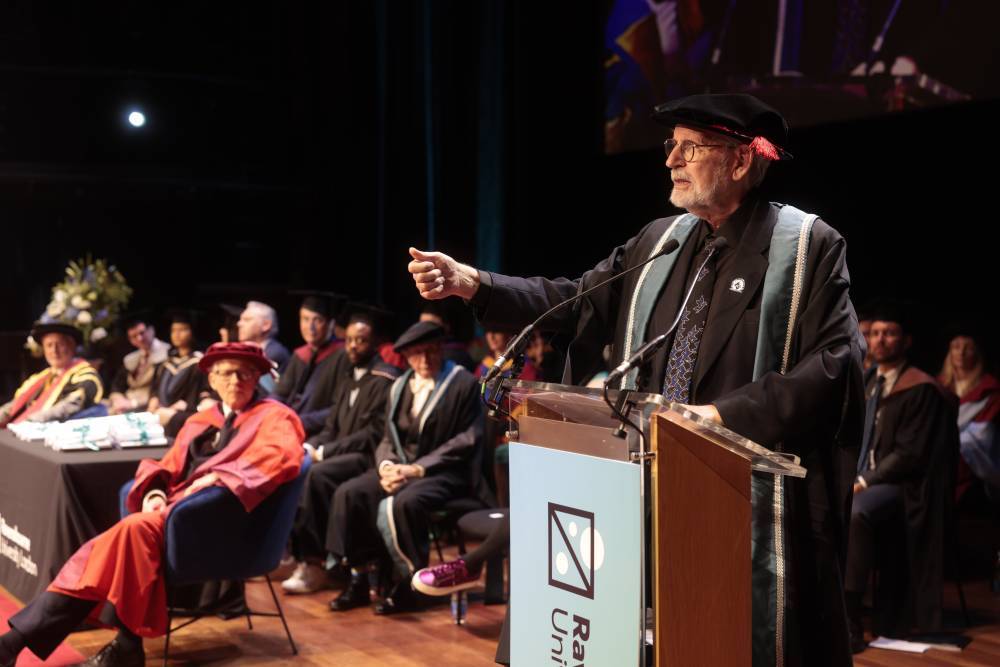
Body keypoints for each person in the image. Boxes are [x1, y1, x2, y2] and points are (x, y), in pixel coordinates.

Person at [408, 93, 865, 666]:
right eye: (670, 146)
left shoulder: (805, 247)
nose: (669, 159)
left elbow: (832, 364)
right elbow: (573, 301)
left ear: (741, 160)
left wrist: (716, 418)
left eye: (687, 147)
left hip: (735, 489)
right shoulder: (661, 241)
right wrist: (475, 283)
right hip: (643, 475)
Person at [0, 342, 304, 667]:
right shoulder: (203, 420)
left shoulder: (276, 418)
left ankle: (22, 642)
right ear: (212, 379)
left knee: (123, 536)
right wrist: (155, 492)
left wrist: (220, 478)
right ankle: (121, 647)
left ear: (258, 377)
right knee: (127, 539)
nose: (236, 381)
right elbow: (166, 465)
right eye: (227, 373)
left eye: (246, 374)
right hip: (175, 520)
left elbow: (282, 457)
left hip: (226, 530)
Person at [326, 321, 487, 615]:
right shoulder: (400, 385)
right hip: (400, 469)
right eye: (416, 353)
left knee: (403, 502)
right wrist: (387, 467)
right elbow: (387, 437)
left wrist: (416, 469)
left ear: (441, 349)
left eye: (430, 351)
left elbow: (467, 440)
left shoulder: (462, 384)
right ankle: (360, 578)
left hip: (445, 473)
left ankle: (409, 584)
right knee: (350, 493)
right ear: (406, 356)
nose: (424, 360)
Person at [846, 305, 958, 651]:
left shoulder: (919, 387)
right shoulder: (866, 381)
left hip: (905, 487)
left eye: (889, 333)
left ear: (906, 340)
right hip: (866, 478)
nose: (880, 339)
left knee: (855, 512)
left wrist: (863, 482)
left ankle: (850, 619)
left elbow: (909, 456)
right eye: (874, 332)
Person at [282, 309, 400, 594]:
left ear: (374, 344)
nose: (352, 346)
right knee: (299, 465)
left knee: (318, 474)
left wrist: (325, 451)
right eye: (348, 340)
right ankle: (297, 554)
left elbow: (371, 434)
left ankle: (314, 564)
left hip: (367, 457)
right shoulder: (347, 375)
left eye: (360, 341)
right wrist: (312, 446)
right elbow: (333, 422)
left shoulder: (385, 378)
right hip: (343, 452)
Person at [272, 292, 348, 436]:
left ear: (330, 324)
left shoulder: (342, 356)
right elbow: (280, 394)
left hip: (317, 432)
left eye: (317, 320)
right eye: (305, 319)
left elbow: (338, 408)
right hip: (288, 426)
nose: (310, 327)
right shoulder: (299, 355)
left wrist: (298, 421)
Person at [0, 323, 103, 427]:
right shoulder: (41, 377)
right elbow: (15, 405)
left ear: (72, 346)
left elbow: (70, 405)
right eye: (49, 345)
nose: (54, 351)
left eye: (60, 344)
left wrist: (29, 422)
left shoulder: (86, 374)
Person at [938, 331, 1000, 501]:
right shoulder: (939, 386)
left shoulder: (989, 391)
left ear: (977, 353)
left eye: (968, 348)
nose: (961, 353)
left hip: (972, 470)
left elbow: (983, 436)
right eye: (956, 347)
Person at [147, 309, 215, 437]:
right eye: (174, 330)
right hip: (160, 413)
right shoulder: (165, 364)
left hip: (183, 416)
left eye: (182, 330)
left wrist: (188, 405)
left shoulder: (199, 362)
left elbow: (205, 392)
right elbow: (155, 388)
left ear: (192, 332)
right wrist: (154, 398)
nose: (177, 334)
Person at [107, 313, 170, 415]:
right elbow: (118, 385)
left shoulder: (167, 354)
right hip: (126, 402)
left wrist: (133, 403)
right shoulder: (131, 359)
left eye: (142, 333)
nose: (139, 339)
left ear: (151, 330)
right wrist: (118, 399)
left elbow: (160, 389)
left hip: (149, 404)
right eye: (134, 336)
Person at [237, 300, 290, 373]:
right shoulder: (250, 350)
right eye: (241, 320)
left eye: (247, 320)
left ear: (266, 325)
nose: (239, 324)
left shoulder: (275, 353)